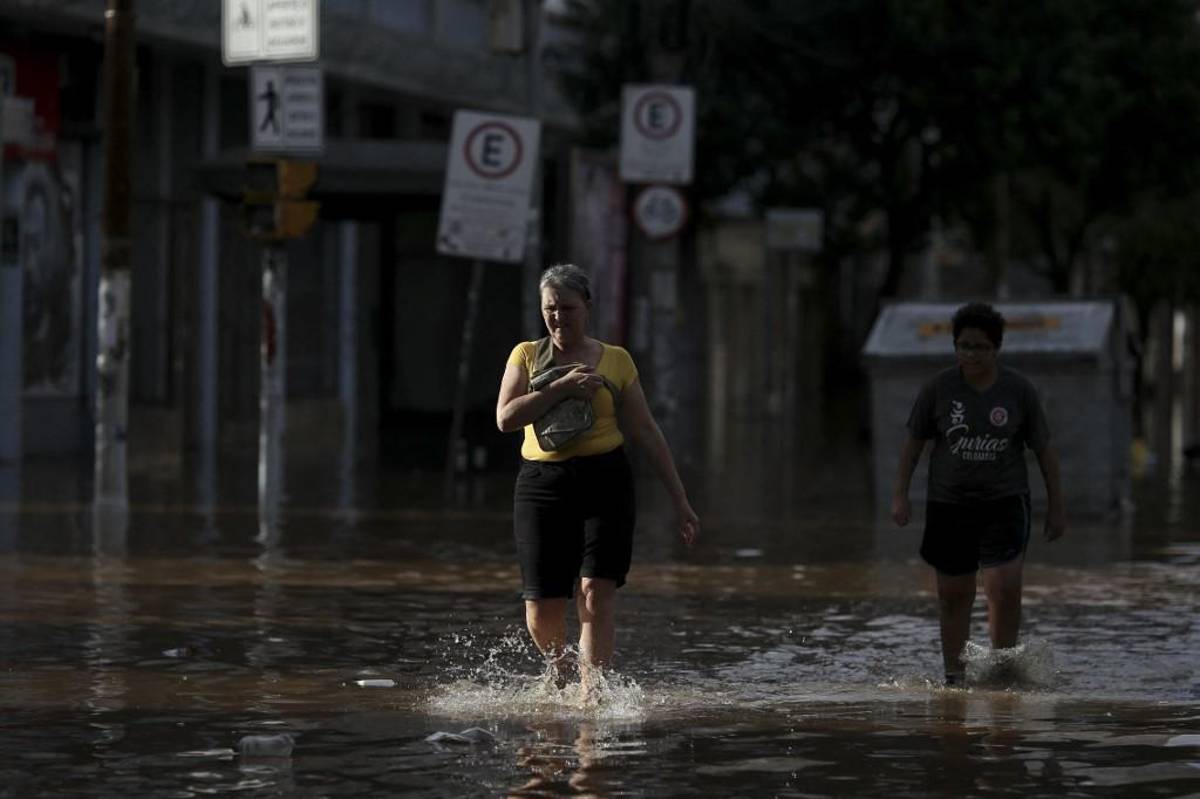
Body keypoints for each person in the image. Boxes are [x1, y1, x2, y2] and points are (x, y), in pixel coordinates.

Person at [496, 263, 699, 693]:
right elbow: (505, 418)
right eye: (550, 308)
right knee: (541, 608)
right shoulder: (526, 355)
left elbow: (645, 430)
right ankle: (563, 667)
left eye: (567, 308)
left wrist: (679, 498)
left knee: (594, 591)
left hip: (605, 480)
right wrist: (559, 389)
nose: (558, 317)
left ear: (587, 308)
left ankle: (592, 693)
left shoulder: (616, 360)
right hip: (541, 484)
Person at [890, 302, 1066, 686]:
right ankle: (955, 677)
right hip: (948, 503)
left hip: (1005, 501)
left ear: (996, 349)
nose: (971, 354)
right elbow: (913, 446)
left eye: (981, 347)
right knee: (953, 592)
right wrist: (900, 496)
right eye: (964, 346)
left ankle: (1001, 670)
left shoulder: (1018, 391)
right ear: (955, 347)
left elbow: (1045, 452)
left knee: (1003, 585)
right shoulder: (938, 389)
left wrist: (1056, 507)